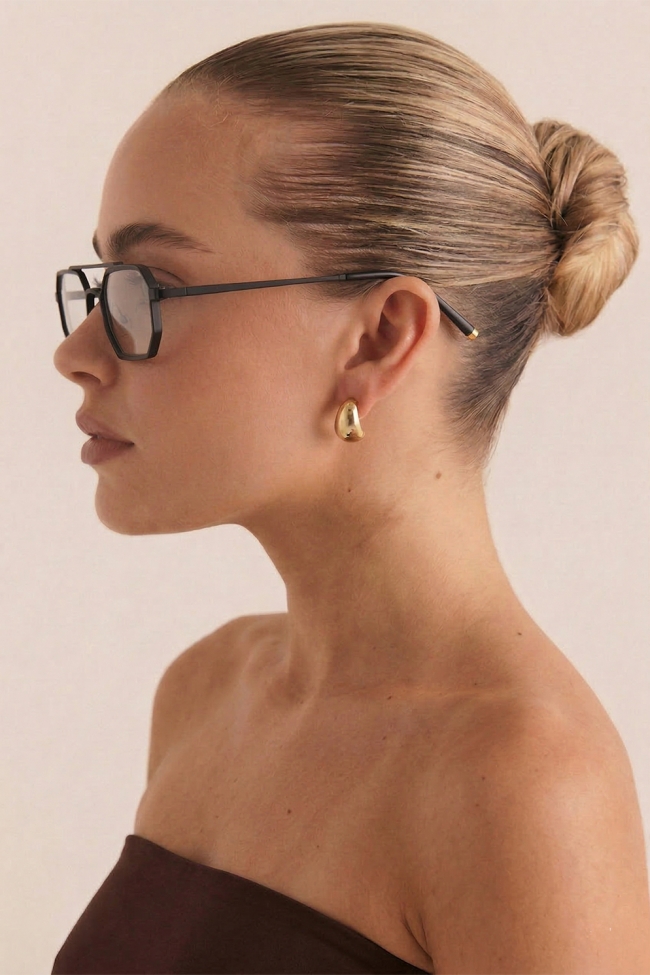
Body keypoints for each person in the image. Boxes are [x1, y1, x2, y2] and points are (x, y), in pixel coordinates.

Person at [51, 20, 650, 975]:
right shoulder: (208, 691)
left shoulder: (529, 786)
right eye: (100, 284)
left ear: (379, 339)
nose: (77, 352)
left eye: (147, 288)